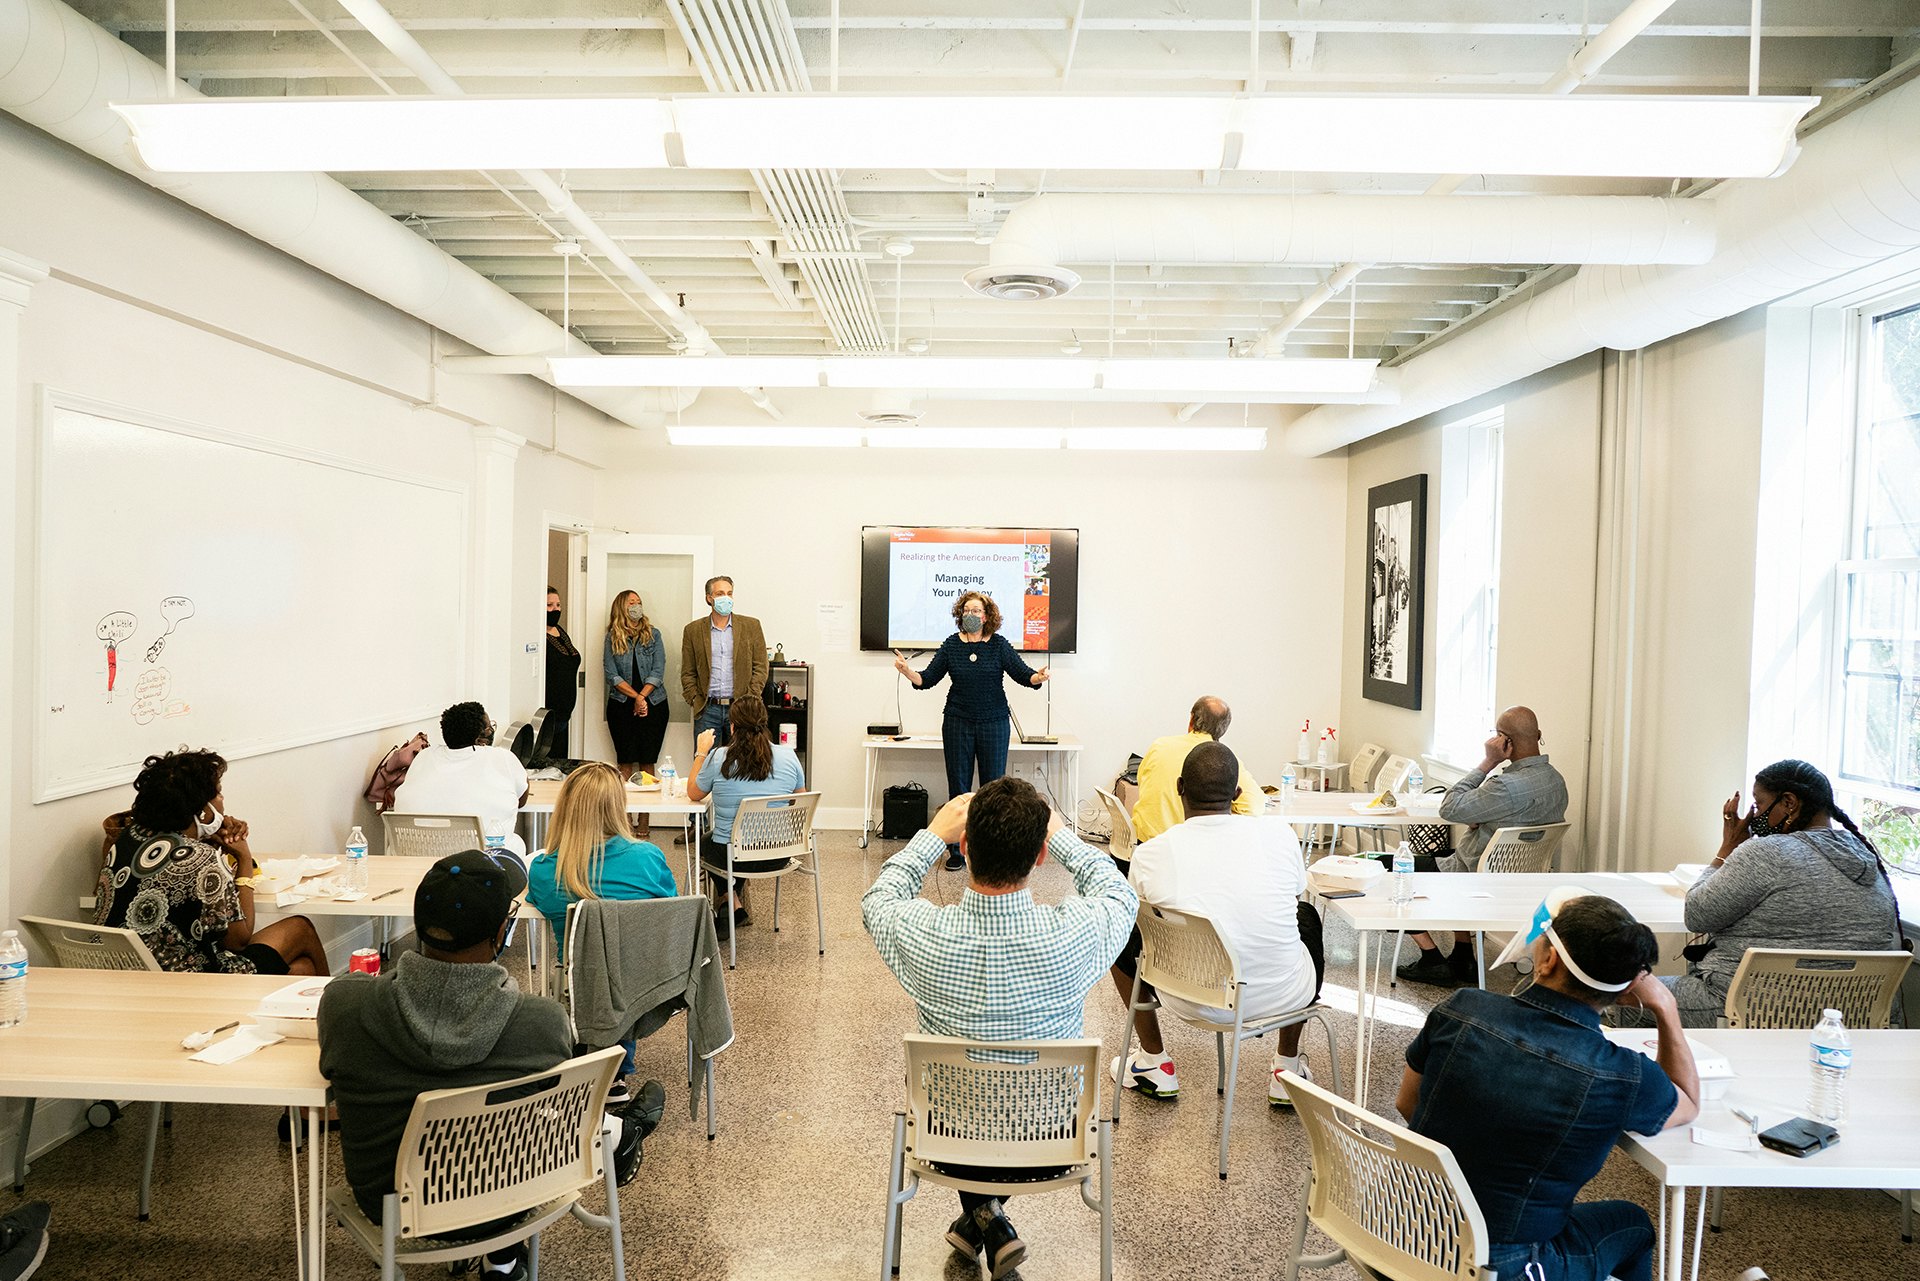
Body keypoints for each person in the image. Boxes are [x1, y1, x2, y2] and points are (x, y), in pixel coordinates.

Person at [319, 849, 650, 1281]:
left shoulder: (344, 1007)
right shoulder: (541, 1023)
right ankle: (618, 1133)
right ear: (500, 932)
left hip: (389, 1203)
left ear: (418, 922)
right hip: (505, 1197)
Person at [863, 777, 1136, 1279]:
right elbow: (1120, 893)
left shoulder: (926, 931)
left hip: (945, 1136)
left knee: (970, 1096)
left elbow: (878, 898)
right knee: (1010, 1101)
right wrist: (1065, 840)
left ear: (963, 848)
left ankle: (982, 1217)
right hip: (1051, 1134)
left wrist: (929, 836)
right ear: (1039, 857)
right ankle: (990, 1218)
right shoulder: (1073, 932)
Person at [1395, 895, 1700, 1281]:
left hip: (1398, 1230)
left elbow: (1408, 1105)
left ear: (1549, 959)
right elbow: (1688, 1101)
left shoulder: (1461, 1009)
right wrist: (1666, 1007)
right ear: (1627, 989)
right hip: (1504, 1265)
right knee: (1632, 1223)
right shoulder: (1622, 1075)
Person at [1110, 742, 1325, 1107]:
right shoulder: (1278, 835)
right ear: (1238, 793)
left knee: (1120, 936)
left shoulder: (1150, 855)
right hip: (1284, 994)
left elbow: (1135, 919)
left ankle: (1154, 1062)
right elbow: (1294, 893)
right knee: (1307, 916)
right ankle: (1285, 1070)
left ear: (1179, 788)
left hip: (1189, 997)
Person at [1617, 758, 1905, 1028]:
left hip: (1743, 1007)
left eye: (1760, 804)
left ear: (1789, 802)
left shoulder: (1768, 853)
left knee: (1624, 994)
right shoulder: (1868, 860)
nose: (1755, 816)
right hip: (1848, 1017)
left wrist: (1726, 850)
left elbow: (1697, 914)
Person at [95, 749, 327, 976]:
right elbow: (239, 940)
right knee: (301, 928)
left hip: (124, 975)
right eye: (218, 793)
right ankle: (342, 1002)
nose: (223, 800)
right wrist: (244, 859)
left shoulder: (125, 839)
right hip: (195, 979)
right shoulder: (203, 859)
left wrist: (206, 835)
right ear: (203, 811)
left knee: (302, 969)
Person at [526, 761, 677, 1106]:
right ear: (617, 806)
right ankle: (612, 1077)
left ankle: (590, 1072)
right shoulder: (648, 858)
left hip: (578, 985)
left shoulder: (546, 870)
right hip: (643, 985)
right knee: (618, 968)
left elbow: (538, 904)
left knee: (596, 971)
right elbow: (671, 911)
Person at [1397, 705, 1568, 987]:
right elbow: (1518, 818)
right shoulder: (1556, 782)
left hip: (1478, 877)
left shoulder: (1506, 785)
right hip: (1523, 878)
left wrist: (1486, 763)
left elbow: (1449, 808)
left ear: (1504, 742)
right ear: (1538, 735)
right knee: (1444, 856)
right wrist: (1483, 818)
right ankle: (1463, 955)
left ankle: (1431, 958)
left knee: (1389, 869)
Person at [893, 591, 1051, 870]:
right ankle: (957, 851)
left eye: (977, 611)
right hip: (958, 722)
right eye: (967, 610)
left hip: (994, 723)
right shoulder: (952, 645)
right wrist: (908, 672)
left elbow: (1022, 673)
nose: (971, 615)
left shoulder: (999, 645)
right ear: (960, 614)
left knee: (994, 789)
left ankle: (991, 849)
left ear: (987, 616)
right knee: (959, 788)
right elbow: (927, 679)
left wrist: (1038, 677)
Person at [687, 694, 804, 937]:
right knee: (730, 844)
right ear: (765, 723)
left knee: (709, 842)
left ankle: (729, 901)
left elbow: (694, 793)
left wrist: (701, 752)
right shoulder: (788, 756)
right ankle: (735, 905)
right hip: (779, 853)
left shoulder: (719, 757)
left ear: (732, 726)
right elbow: (799, 801)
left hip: (734, 855)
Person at [392, 702, 530, 859]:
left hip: (416, 863)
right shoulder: (502, 758)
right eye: (489, 728)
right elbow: (522, 800)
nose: (491, 731)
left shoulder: (424, 756)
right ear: (480, 739)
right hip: (486, 867)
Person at [1129, 696, 1264, 843]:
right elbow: (1253, 806)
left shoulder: (1159, 745)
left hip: (1146, 841)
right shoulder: (1225, 760)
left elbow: (1142, 781)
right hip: (1191, 846)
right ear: (1223, 730)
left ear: (1191, 719)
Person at [679, 575, 769, 753]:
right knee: (705, 762)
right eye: (720, 593)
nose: (726, 598)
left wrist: (751, 698)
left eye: (729, 593)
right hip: (707, 709)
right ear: (709, 598)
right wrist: (695, 699)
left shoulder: (751, 626)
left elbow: (761, 667)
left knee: (743, 762)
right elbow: (688, 672)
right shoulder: (693, 630)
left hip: (741, 707)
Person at [604, 588, 668, 782]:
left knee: (647, 761)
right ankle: (624, 813)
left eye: (638, 602)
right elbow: (611, 674)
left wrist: (642, 697)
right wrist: (636, 698)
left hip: (654, 705)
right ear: (621, 607)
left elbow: (658, 670)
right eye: (631, 603)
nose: (636, 606)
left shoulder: (653, 634)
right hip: (621, 706)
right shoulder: (612, 636)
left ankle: (644, 813)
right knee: (625, 761)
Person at [541, 586, 581, 762]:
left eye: (558, 605)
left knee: (561, 761)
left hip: (565, 711)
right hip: (549, 711)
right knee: (549, 762)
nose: (555, 609)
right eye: (549, 605)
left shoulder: (560, 632)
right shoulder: (537, 635)